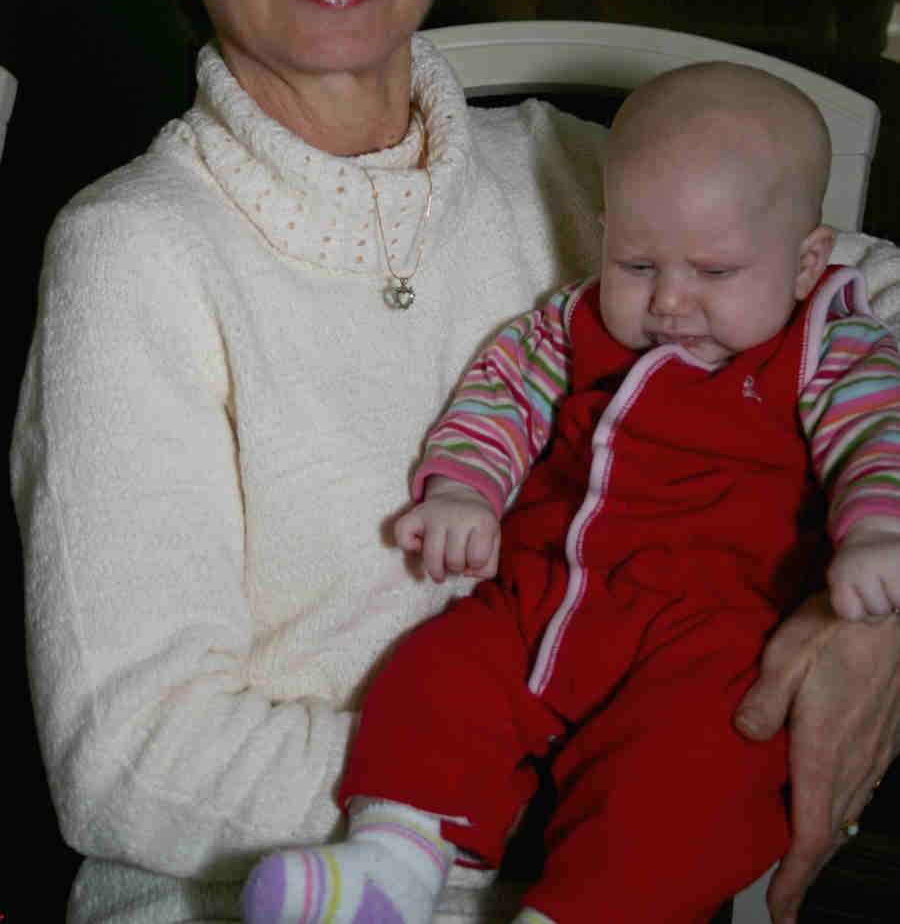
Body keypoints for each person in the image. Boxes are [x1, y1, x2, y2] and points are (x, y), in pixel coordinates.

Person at [7, 0, 900, 924]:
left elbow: (867, 323)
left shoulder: (597, 180)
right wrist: (597, 787)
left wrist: (877, 628)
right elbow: (132, 764)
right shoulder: (134, 252)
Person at [240, 63, 900, 924]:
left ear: (809, 261)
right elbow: (501, 392)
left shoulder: (831, 346)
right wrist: (464, 492)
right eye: (635, 261)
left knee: (700, 775)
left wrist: (876, 535)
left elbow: (876, 436)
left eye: (713, 271)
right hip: (545, 597)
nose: (669, 300)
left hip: (713, 635)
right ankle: (390, 862)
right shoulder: (571, 323)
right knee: (436, 678)